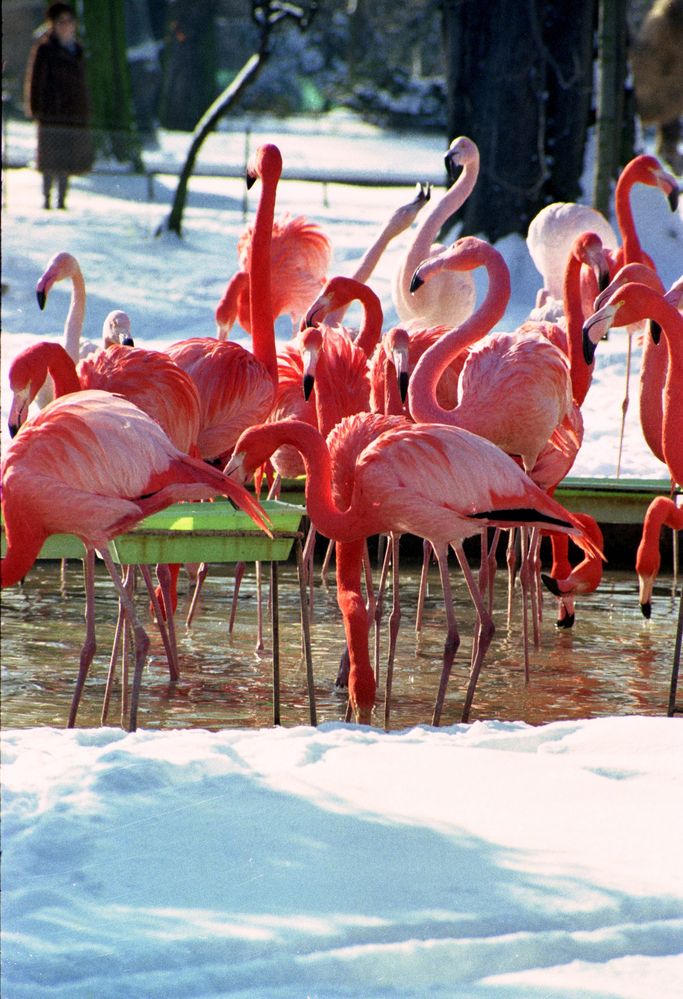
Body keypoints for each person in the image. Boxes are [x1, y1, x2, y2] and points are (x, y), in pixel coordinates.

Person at [24, 3, 94, 210]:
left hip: (73, 113)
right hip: (51, 112)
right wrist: (37, 108)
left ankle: (62, 200)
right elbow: (36, 81)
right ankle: (47, 199)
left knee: (67, 157)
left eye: (70, 21)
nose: (67, 26)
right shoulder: (45, 49)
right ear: (53, 25)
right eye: (62, 22)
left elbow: (82, 83)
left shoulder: (77, 50)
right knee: (50, 158)